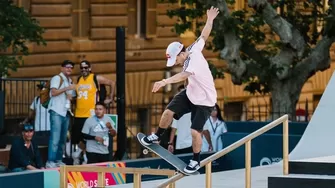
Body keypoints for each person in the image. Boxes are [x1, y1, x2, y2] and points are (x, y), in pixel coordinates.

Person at [140, 6, 219, 173]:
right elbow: (204, 34)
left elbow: (183, 75)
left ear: (181, 54)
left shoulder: (193, 60)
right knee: (168, 111)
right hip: (191, 93)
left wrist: (164, 81)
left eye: (176, 60)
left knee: (194, 131)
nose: (176, 63)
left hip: (205, 101)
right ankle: (157, 136)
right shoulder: (192, 48)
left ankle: (195, 161)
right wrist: (209, 19)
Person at [46, 60, 76, 168]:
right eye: (67, 67)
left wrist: (70, 96)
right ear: (62, 68)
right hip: (57, 111)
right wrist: (67, 88)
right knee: (55, 138)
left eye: (71, 67)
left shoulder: (70, 80)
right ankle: (50, 161)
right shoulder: (57, 78)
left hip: (66, 111)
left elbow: (70, 96)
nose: (69, 69)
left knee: (63, 138)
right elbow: (53, 92)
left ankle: (58, 160)